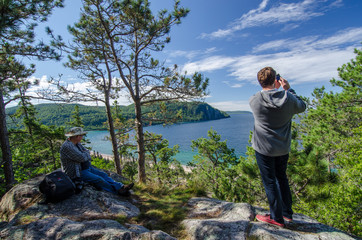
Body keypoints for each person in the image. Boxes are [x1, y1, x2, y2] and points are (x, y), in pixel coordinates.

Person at [249, 67, 306, 227]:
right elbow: (302, 106)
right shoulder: (289, 99)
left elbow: (264, 94)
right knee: (282, 178)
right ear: (276, 80)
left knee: (270, 183)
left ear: (259, 82)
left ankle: (276, 218)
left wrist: (274, 88)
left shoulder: (254, 100)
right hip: (282, 148)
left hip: (263, 148)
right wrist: (288, 89)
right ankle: (287, 214)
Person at [60, 127, 134, 196]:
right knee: (98, 179)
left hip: (84, 168)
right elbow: (82, 157)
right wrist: (85, 154)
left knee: (103, 175)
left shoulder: (76, 143)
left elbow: (86, 152)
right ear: (77, 137)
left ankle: (120, 186)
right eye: (82, 135)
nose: (82, 137)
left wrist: (85, 154)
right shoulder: (68, 146)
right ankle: (117, 191)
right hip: (76, 172)